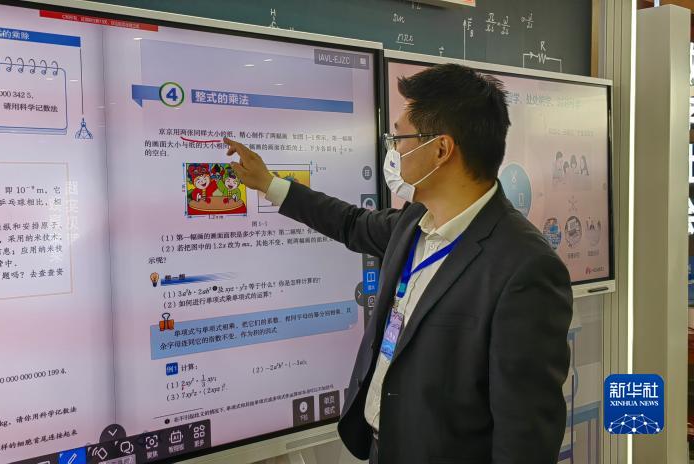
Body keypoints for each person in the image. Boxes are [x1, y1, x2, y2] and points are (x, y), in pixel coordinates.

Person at [223, 63, 572, 464]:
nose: (395, 150)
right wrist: (268, 183)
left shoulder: (524, 268)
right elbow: (350, 223)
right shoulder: (415, 221)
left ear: (441, 150)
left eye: (400, 137)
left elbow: (525, 438)